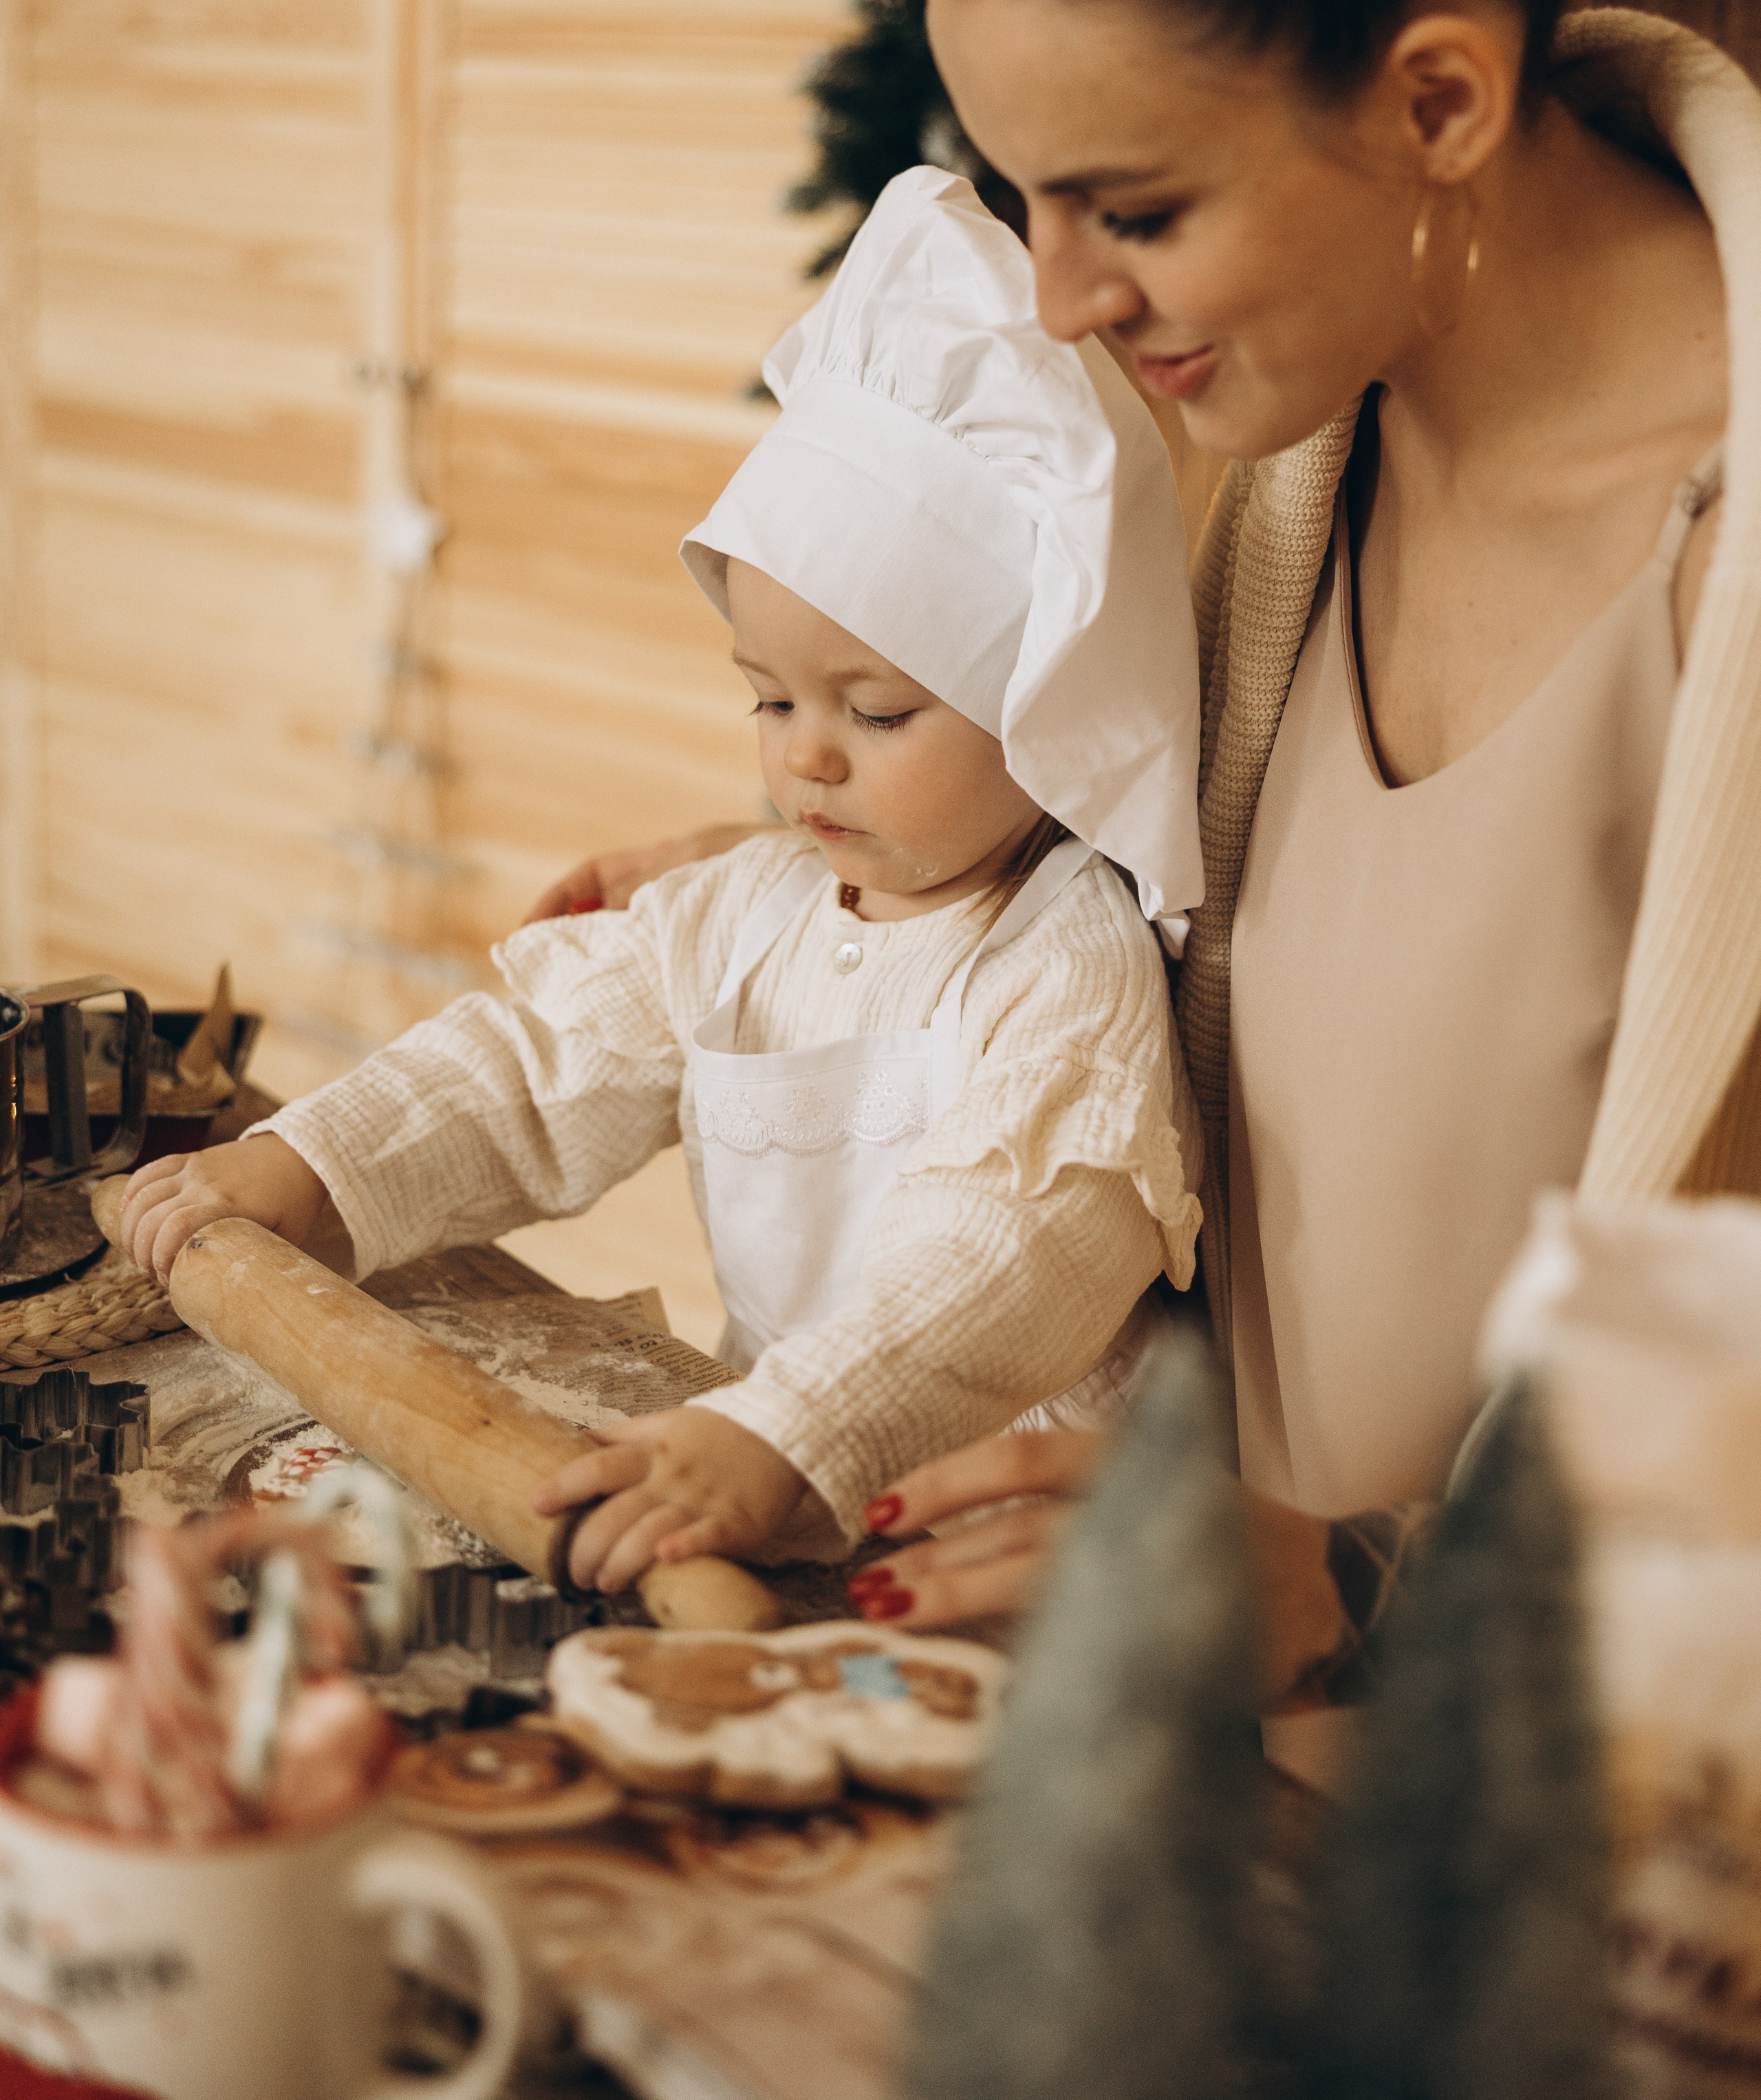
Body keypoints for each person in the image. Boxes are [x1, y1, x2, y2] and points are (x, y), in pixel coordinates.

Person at [534, 0, 1761, 1749]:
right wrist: (883, 890)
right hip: (1188, 1795)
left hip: (1575, 1862)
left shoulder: (1720, 554)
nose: (1063, 302)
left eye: (1137, 209)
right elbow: (1184, 978)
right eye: (1025, 200)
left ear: (1438, 101)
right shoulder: (1277, 460)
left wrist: (1361, 1581)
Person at [116, 167, 1209, 1593]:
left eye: (878, 713)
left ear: (1044, 710)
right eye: (770, 699)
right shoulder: (743, 913)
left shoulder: (1064, 967)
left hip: (993, 1553)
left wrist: (784, 1433)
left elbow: (1000, 1265)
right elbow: (528, 1071)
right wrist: (313, 1167)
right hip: (739, 1490)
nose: (806, 758)